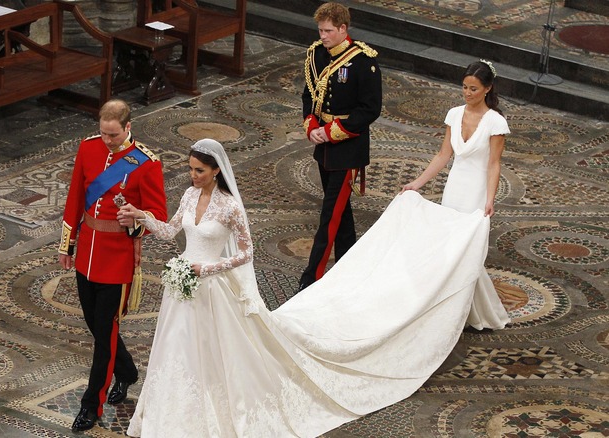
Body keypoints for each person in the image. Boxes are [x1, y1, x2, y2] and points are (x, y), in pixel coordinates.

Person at [119, 138, 496, 437]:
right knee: (176, 351)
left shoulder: (230, 207)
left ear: (216, 171)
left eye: (199, 170)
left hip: (212, 288)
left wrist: (210, 267)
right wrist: (143, 217)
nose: (192, 176)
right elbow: (171, 232)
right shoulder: (187, 196)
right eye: (190, 169)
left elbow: (246, 253)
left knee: (215, 352)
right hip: (182, 288)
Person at [58, 99, 167, 432]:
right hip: (88, 250)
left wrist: (136, 219)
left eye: (114, 135)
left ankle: (92, 404)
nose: (107, 140)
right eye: (103, 133)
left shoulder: (146, 164)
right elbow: (76, 195)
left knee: (104, 333)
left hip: (117, 259)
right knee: (95, 324)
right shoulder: (88, 149)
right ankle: (128, 371)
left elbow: (158, 216)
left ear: (128, 127)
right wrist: (68, 244)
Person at [402, 59, 511, 330]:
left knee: (466, 250)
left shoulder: (495, 122)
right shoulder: (453, 114)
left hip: (476, 190)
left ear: (487, 89)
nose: (467, 93)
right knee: (450, 248)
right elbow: (443, 154)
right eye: (464, 87)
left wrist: (490, 199)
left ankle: (461, 311)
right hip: (455, 187)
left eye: (473, 89)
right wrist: (418, 183)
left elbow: (494, 163)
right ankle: (452, 309)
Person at [299, 2, 383, 292]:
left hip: (348, 147)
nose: (323, 36)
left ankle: (312, 280)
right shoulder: (316, 55)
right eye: (320, 30)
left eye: (329, 31)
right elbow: (308, 95)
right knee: (341, 214)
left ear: (344, 29)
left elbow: (370, 109)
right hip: (323, 146)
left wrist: (331, 132)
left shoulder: (363, 61)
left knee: (330, 214)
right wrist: (311, 126)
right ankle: (350, 268)